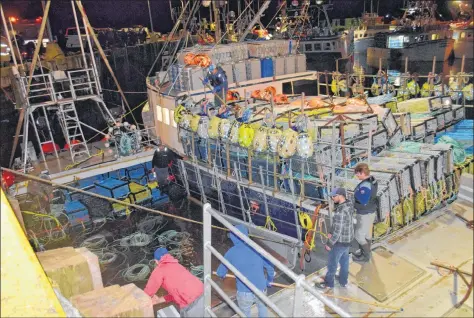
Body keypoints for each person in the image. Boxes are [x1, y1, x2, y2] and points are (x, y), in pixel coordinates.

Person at [216, 224, 275, 318]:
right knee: (262, 308)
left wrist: (222, 275)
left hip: (244, 292)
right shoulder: (257, 248)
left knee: (245, 313)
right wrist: (269, 280)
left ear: (232, 237)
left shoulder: (230, 253)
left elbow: (220, 272)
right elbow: (270, 268)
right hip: (261, 288)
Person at [144, 248, 204, 317]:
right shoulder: (177, 265)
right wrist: (159, 300)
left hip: (190, 302)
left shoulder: (159, 270)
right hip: (203, 293)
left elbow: (149, 291)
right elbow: (177, 291)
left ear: (156, 261)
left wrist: (143, 300)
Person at [315, 188, 354, 291]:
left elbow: (338, 230)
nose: (332, 198)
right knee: (344, 262)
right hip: (348, 239)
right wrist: (330, 232)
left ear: (340, 195)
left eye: (334, 196)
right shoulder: (349, 204)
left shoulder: (341, 211)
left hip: (340, 242)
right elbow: (339, 224)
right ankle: (343, 281)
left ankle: (328, 284)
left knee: (332, 264)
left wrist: (330, 244)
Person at [352, 163, 378, 263]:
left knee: (358, 235)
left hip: (364, 213)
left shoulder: (365, 186)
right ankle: (364, 253)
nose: (357, 176)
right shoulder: (372, 180)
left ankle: (366, 256)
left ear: (363, 173)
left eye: (358, 174)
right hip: (370, 211)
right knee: (367, 234)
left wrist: (354, 197)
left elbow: (363, 200)